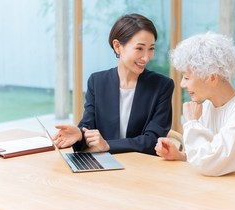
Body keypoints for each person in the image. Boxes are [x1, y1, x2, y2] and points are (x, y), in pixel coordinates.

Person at [155, 32, 235, 180]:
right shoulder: (208, 106)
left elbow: (209, 163)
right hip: (226, 188)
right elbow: (210, 155)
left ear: (212, 77)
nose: (182, 84)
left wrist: (191, 123)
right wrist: (180, 156)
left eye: (187, 77)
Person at [54, 13, 174, 155]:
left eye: (151, 48)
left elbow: (153, 140)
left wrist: (107, 145)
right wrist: (79, 135)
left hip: (142, 167)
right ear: (117, 46)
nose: (146, 57)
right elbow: (88, 126)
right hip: (103, 165)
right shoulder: (97, 82)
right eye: (139, 48)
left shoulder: (162, 86)